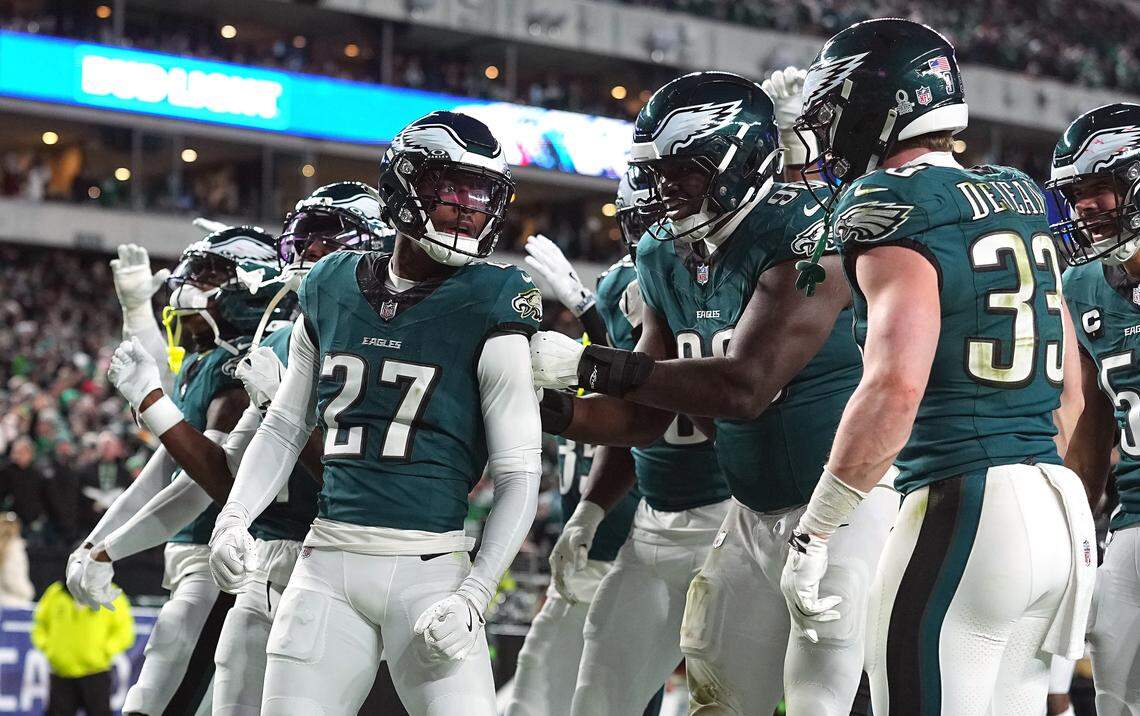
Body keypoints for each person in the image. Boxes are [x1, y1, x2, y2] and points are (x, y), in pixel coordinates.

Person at [529, 68, 895, 715]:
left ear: (743, 160)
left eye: (685, 170)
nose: (664, 189)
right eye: (658, 172)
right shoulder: (665, 256)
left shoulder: (808, 234)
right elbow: (645, 418)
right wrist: (541, 407)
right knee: (716, 701)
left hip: (841, 508)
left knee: (821, 700)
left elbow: (746, 386)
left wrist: (590, 364)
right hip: (750, 514)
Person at [778, 18, 1094, 715]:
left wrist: (817, 527)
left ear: (876, 105)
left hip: (967, 503)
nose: (828, 132)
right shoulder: (1015, 192)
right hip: (1055, 502)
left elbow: (896, 384)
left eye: (834, 110)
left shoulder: (892, 202)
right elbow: (1071, 388)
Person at [208, 110, 542, 715]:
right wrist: (234, 518)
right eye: (453, 193)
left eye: (481, 197)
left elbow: (520, 472)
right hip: (326, 561)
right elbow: (286, 425)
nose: (469, 211)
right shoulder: (331, 282)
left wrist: (476, 594)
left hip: (433, 570)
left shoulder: (494, 298)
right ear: (403, 188)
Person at [70, 227, 293, 715]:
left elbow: (205, 483)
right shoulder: (204, 362)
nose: (186, 286)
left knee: (167, 686)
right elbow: (163, 468)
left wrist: (109, 549)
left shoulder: (245, 367)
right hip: (197, 552)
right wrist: (93, 545)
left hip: (228, 556)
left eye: (208, 275)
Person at [506, 171, 663, 716]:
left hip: (646, 536)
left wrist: (590, 312)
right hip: (594, 542)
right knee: (536, 691)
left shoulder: (685, 282)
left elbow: (639, 383)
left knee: (618, 695)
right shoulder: (618, 288)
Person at [1048, 101, 1140, 716]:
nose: (1085, 207)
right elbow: (1089, 433)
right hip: (1133, 522)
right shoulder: (1083, 285)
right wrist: (1069, 534)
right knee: (1115, 697)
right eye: (1077, 193)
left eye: (1100, 189)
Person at [32, 573, 134, 716]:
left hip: (95, 673)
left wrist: (104, 651)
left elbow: (125, 630)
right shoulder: (56, 592)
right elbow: (39, 624)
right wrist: (49, 649)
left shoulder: (110, 593)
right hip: (62, 674)